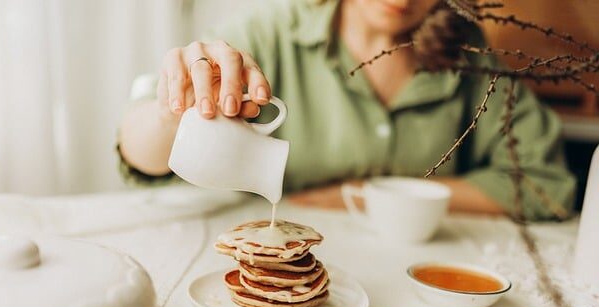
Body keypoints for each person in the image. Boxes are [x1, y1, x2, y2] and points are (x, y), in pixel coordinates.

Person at [118, 0, 575, 221]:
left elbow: (544, 184)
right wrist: (170, 114)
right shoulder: (271, 34)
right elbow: (138, 156)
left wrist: (372, 195)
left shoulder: (471, 61)